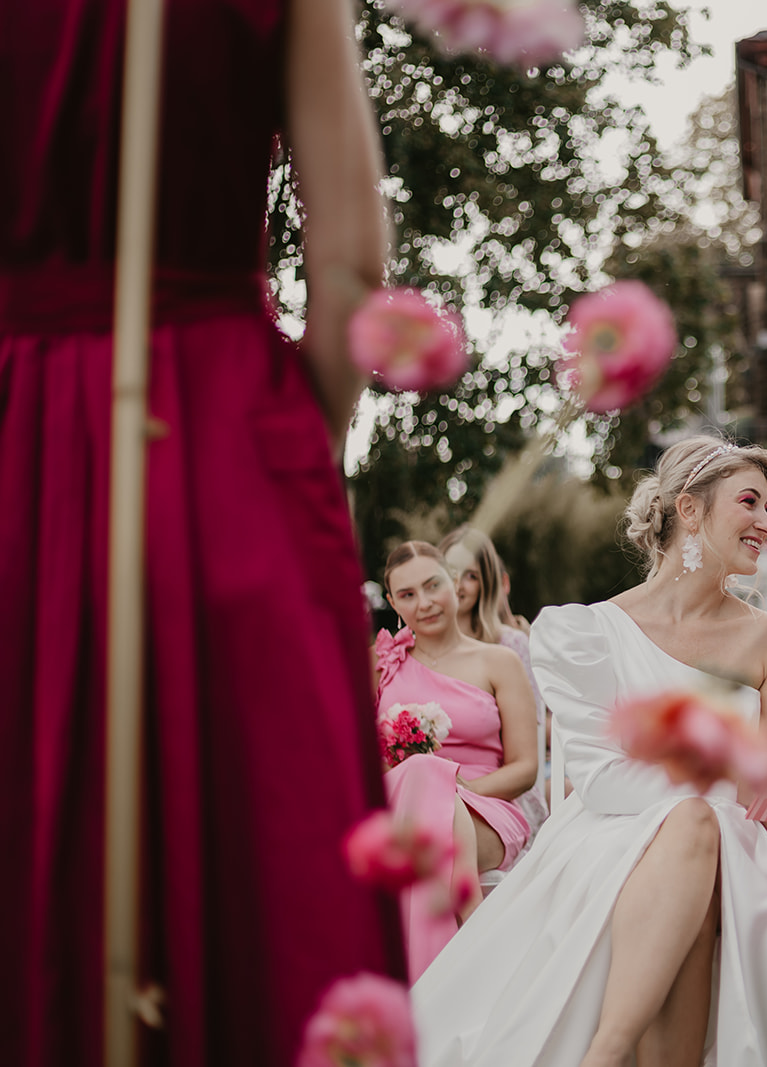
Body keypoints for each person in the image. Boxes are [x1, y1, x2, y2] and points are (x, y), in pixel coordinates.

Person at [1, 1, 404, 1063]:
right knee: (259, 850)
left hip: (12, 422)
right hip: (220, 424)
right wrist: (283, 450)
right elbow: (352, 259)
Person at [412, 436, 767, 1067]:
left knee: (701, 842)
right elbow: (601, 778)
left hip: (738, 840)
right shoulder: (586, 633)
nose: (766, 521)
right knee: (690, 839)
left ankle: (606, 1053)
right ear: (689, 511)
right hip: (613, 828)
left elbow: (765, 783)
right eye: (750, 501)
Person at [377, 541, 539, 981]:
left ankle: (426, 978)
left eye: (433, 585)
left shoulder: (500, 661)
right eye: (408, 595)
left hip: (487, 807)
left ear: (454, 582)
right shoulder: (381, 668)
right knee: (419, 778)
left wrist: (449, 786)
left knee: (428, 779)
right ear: (392, 603)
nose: (425, 602)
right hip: (401, 810)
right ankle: (466, 953)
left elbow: (525, 769)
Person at [440, 525, 549, 831]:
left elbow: (529, 740)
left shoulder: (511, 645)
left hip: (496, 792)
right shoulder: (410, 647)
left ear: (486, 584)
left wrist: (463, 789)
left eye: (471, 576)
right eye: (450, 571)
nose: (458, 584)